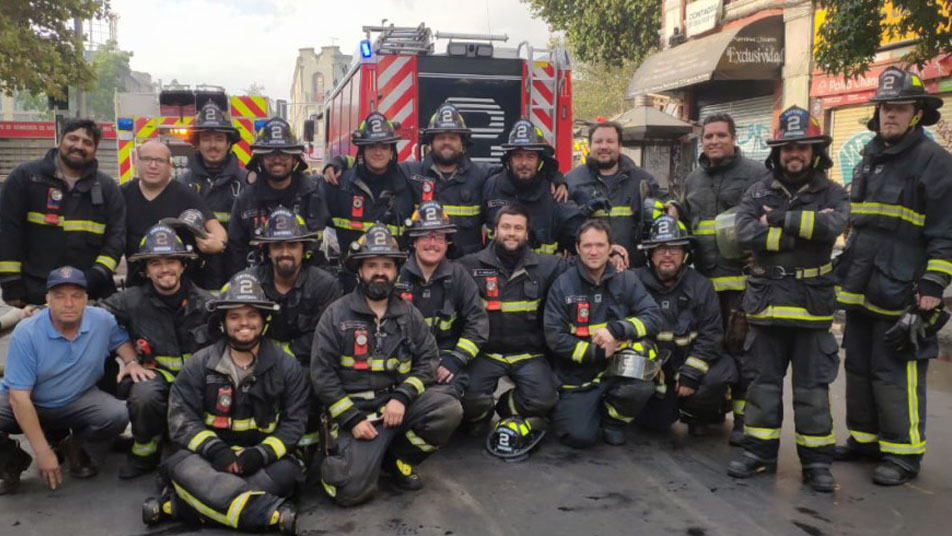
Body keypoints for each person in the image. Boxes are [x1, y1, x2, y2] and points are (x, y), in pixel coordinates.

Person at [834, 67, 952, 486]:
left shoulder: (935, 163)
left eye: (899, 107)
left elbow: (945, 233)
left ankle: (903, 455)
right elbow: (861, 224)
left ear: (917, 113)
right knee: (860, 368)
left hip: (904, 290)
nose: (890, 115)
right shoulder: (870, 155)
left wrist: (933, 286)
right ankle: (865, 441)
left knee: (895, 372)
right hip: (863, 285)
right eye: (885, 107)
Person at [727, 106, 849, 493]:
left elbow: (835, 225)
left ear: (815, 151)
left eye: (801, 148)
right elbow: (744, 233)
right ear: (776, 153)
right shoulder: (757, 191)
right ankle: (758, 454)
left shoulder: (833, 191)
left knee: (812, 392)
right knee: (762, 386)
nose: (793, 155)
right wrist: (803, 230)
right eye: (787, 148)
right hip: (766, 305)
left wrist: (779, 221)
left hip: (811, 309)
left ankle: (816, 464)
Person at [311, 225, 462, 506]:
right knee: (349, 493)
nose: (380, 272)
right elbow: (322, 375)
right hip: (357, 416)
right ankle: (361, 459)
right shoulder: (336, 315)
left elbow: (428, 360)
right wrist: (351, 419)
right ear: (359, 270)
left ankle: (397, 458)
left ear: (396, 271)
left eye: (386, 266)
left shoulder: (408, 314)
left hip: (396, 409)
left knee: (447, 408)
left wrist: (402, 397)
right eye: (372, 265)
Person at [144, 272, 305, 533]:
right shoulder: (199, 364)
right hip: (207, 460)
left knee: (289, 473)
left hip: (261, 461)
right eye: (234, 316)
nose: (244, 323)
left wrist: (259, 454)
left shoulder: (287, 367)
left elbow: (295, 423)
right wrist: (217, 451)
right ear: (222, 322)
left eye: (252, 315)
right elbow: (181, 419)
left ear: (264, 321)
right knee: (180, 465)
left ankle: (181, 507)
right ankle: (263, 512)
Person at [322, 102, 569, 258]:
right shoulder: (410, 173)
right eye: (440, 136)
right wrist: (341, 162)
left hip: (466, 273)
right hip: (420, 266)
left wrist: (552, 174)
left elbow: (520, 170)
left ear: (463, 142)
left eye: (453, 136)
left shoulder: (483, 176)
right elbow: (376, 162)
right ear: (430, 142)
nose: (446, 141)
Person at [666, 114, 765, 444]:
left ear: (734, 138)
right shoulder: (694, 178)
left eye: (721, 135)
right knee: (708, 347)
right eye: (708, 136)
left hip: (744, 284)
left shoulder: (756, 174)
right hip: (705, 285)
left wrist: (763, 254)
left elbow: (771, 217)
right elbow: (683, 210)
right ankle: (709, 411)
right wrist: (671, 210)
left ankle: (743, 418)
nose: (714, 141)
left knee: (744, 351)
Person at [0, 267, 133, 495]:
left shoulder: (102, 320)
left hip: (77, 399)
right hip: (28, 401)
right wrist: (41, 451)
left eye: (76, 296)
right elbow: (19, 398)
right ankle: (11, 459)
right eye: (60, 296)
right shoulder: (28, 332)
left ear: (86, 299)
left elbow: (120, 341)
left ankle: (75, 445)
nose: (68, 303)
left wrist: (131, 362)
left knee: (117, 415)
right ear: (47, 300)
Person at [100, 223, 214, 479]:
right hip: (155, 377)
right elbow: (96, 320)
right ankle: (145, 454)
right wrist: (129, 360)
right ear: (146, 271)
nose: (165, 269)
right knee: (143, 396)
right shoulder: (130, 300)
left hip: (199, 381)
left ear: (183, 265)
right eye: (155, 263)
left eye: (171, 261)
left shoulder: (206, 303)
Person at [545, 219, 662, 447]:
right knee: (577, 436)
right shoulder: (563, 285)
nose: (594, 251)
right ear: (578, 248)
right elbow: (554, 337)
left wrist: (618, 330)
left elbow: (653, 317)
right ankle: (583, 411)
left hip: (619, 370)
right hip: (577, 376)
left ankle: (613, 421)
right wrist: (597, 353)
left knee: (642, 384)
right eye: (587, 246)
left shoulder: (626, 279)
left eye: (600, 245)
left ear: (611, 248)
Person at [457, 204, 565, 438]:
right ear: (494, 230)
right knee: (469, 397)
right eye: (506, 227)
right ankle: (480, 416)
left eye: (518, 228)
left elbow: (586, 263)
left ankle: (507, 408)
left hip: (528, 353)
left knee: (544, 399)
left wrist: (614, 254)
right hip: (485, 352)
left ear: (527, 233)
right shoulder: (469, 266)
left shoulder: (547, 266)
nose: (511, 233)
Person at [241, 207, 341, 453]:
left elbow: (326, 337)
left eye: (292, 246)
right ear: (267, 250)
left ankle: (305, 450)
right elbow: (234, 329)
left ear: (304, 250)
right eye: (277, 246)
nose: (285, 252)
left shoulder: (325, 285)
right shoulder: (248, 282)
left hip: (307, 363)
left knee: (309, 382)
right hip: (255, 361)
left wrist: (282, 358)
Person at [0, 119, 125, 304]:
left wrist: (95, 276)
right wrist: (11, 283)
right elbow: (7, 232)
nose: (79, 146)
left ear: (95, 150)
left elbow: (116, 239)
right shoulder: (26, 178)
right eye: (73, 138)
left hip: (90, 292)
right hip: (36, 292)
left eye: (87, 142)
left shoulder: (107, 188)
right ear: (60, 140)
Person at [634, 216, 737, 436]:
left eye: (674, 248)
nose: (668, 254)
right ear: (649, 254)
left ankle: (698, 414)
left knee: (721, 372)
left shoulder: (701, 286)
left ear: (685, 253)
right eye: (660, 249)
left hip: (687, 367)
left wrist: (691, 373)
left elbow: (711, 335)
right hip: (655, 373)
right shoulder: (633, 283)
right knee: (655, 424)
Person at [396, 201, 489, 396]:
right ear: (413, 241)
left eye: (439, 237)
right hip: (403, 360)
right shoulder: (396, 276)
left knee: (470, 400)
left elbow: (477, 323)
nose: (432, 244)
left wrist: (456, 360)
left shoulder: (459, 276)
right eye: (425, 237)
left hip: (446, 359)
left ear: (447, 243)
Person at [226, 117, 328, 277]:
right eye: (270, 154)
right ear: (260, 158)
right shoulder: (246, 199)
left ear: (295, 158)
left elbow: (317, 241)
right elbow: (236, 252)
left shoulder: (312, 193)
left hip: (305, 281)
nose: (277, 159)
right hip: (259, 281)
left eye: (284, 154)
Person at [320, 112, 415, 282]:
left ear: (392, 150)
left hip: (396, 282)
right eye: (371, 146)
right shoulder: (339, 184)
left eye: (384, 146)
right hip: (351, 283)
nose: (378, 152)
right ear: (362, 149)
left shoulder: (408, 183)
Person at [121, 140, 226, 287]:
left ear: (170, 166)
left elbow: (217, 229)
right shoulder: (122, 194)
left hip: (178, 286)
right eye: (147, 159)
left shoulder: (185, 195)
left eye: (159, 161)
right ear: (137, 162)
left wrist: (218, 244)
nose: (153, 165)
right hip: (138, 286)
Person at [566, 120, 665, 266]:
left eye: (610, 141)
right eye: (598, 141)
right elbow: (564, 226)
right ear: (590, 146)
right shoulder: (571, 180)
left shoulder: (641, 179)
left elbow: (664, 204)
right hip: (586, 273)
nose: (604, 146)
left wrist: (673, 206)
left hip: (631, 270)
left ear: (620, 146)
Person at [483, 119, 585, 256]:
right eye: (518, 156)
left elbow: (580, 234)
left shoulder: (554, 192)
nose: (524, 163)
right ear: (509, 159)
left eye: (530, 156)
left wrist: (609, 248)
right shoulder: (491, 187)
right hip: (497, 274)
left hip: (542, 275)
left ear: (539, 161)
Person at [180, 101, 250, 289]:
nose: (213, 145)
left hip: (237, 276)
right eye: (206, 139)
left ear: (229, 144)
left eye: (219, 139)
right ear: (197, 144)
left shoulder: (247, 184)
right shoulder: (182, 184)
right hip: (193, 279)